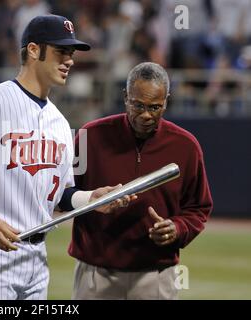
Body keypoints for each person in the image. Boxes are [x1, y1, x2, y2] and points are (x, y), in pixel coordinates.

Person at [0, 14, 134, 300]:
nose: (70, 60)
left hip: (36, 258)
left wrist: (92, 200)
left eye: (71, 53)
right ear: (35, 50)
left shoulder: (60, 123)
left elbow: (62, 194)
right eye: (62, 51)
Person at [69, 62, 214, 300]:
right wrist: (88, 200)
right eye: (138, 105)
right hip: (95, 273)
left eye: (155, 107)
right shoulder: (89, 137)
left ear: (167, 101)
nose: (146, 115)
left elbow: (198, 207)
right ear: (126, 97)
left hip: (156, 275)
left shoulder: (186, 146)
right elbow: (64, 193)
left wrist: (177, 228)